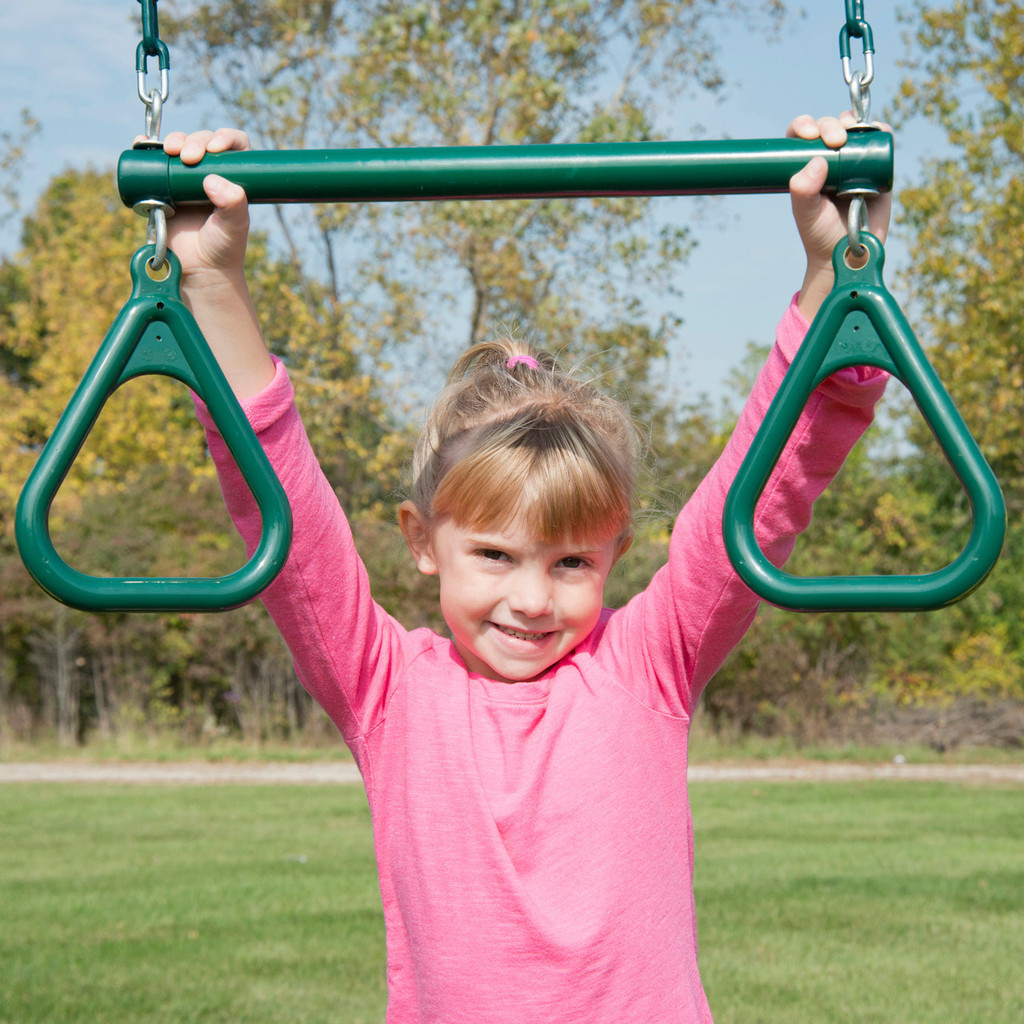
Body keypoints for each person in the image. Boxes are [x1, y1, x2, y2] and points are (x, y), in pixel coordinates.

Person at [163, 113, 891, 1023]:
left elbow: (767, 487)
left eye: (572, 560)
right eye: (495, 554)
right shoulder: (386, 689)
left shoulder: (647, 666)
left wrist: (835, 268)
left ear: (618, 552)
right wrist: (211, 279)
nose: (532, 599)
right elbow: (283, 513)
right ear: (423, 541)